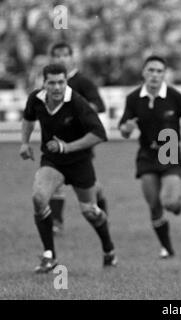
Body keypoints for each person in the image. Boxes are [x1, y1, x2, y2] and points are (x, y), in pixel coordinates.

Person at [19, 63, 117, 273]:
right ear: (43, 83)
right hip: (53, 161)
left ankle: (109, 250)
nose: (56, 87)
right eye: (51, 82)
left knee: (90, 212)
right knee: (38, 197)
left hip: (80, 163)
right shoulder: (36, 99)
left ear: (66, 82)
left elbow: (100, 134)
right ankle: (49, 256)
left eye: (61, 82)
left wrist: (67, 147)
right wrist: (25, 143)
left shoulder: (77, 102)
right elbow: (28, 118)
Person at [119, 55, 181, 259]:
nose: (154, 75)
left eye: (159, 71)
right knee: (154, 205)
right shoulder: (133, 98)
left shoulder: (176, 97)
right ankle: (167, 248)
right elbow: (124, 128)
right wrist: (126, 128)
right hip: (146, 155)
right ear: (143, 73)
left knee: (169, 202)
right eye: (151, 70)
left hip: (170, 152)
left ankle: (176, 203)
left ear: (164, 74)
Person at [49, 42, 108, 235]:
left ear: (72, 57)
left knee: (88, 184)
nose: (61, 59)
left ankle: (100, 206)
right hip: (56, 140)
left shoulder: (82, 82)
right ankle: (56, 223)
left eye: (64, 55)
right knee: (55, 181)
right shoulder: (50, 82)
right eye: (56, 56)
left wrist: (79, 111)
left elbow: (100, 105)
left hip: (80, 142)